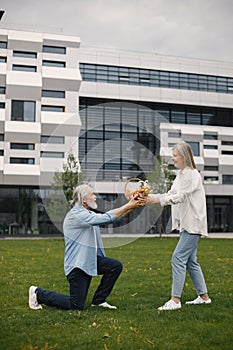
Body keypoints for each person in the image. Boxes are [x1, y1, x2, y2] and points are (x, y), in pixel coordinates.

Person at [29, 184, 146, 311]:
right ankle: (38, 293)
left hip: (90, 260)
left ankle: (99, 301)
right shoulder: (77, 215)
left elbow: (112, 219)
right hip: (78, 265)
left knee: (114, 266)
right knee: (76, 305)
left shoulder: (87, 213)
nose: (95, 197)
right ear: (84, 199)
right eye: (92, 194)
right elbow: (106, 217)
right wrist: (129, 205)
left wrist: (133, 205)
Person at [146, 142, 211, 311]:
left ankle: (175, 300)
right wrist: (148, 196)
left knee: (178, 258)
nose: (172, 158)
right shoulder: (181, 174)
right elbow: (171, 194)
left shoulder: (192, 175)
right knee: (191, 261)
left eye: (175, 155)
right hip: (187, 224)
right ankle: (204, 297)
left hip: (193, 224)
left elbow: (181, 197)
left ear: (184, 156)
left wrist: (157, 200)